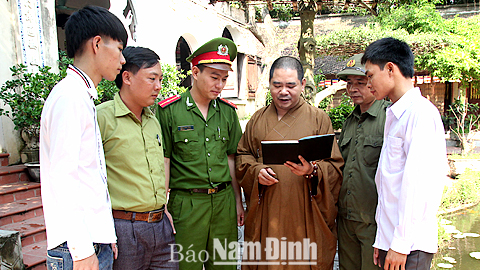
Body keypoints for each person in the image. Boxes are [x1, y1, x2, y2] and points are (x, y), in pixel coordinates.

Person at [40, 5, 127, 270]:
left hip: (90, 240)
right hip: (75, 248)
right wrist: (82, 249)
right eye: (120, 49)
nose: (123, 60)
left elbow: (90, 175)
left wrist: (104, 235)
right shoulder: (69, 97)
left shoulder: (80, 95)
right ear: (97, 44)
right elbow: (63, 178)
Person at [236, 56, 344, 269]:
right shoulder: (257, 119)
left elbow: (335, 167)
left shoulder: (318, 119)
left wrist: (313, 170)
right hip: (267, 211)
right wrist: (256, 171)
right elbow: (243, 156)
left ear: (303, 84)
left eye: (290, 85)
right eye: (277, 85)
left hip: (305, 211)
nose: (283, 91)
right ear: (269, 85)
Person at [156, 37, 245, 269]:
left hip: (223, 203)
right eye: (214, 77)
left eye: (224, 79)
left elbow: (230, 159)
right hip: (187, 204)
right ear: (195, 72)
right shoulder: (169, 111)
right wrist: (163, 204)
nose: (220, 84)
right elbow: (164, 160)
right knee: (186, 266)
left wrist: (237, 200)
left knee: (224, 265)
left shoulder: (228, 113)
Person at [361, 37, 447, 270]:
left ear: (390, 69)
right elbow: (389, 183)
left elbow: (419, 187)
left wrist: (400, 244)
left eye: (370, 76)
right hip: (394, 241)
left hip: (410, 246)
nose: (368, 84)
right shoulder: (395, 114)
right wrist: (383, 239)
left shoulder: (420, 114)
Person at [96, 46, 178, 269]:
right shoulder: (102, 118)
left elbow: (157, 169)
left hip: (160, 225)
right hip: (124, 229)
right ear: (127, 77)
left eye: (160, 79)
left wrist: (164, 209)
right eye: (152, 78)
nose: (158, 87)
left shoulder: (153, 120)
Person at [336, 53, 390, 270]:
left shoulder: (389, 118)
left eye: (360, 82)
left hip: (374, 223)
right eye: (349, 84)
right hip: (346, 218)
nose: (353, 89)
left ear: (372, 81)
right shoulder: (350, 121)